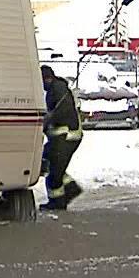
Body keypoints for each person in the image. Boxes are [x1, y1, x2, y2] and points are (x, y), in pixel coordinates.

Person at [40, 65, 85, 211]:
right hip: (60, 136)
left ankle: (58, 201)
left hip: (67, 136)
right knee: (47, 162)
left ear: (47, 78)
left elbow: (63, 110)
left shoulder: (58, 89)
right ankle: (69, 189)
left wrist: (50, 119)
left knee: (54, 171)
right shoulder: (55, 89)